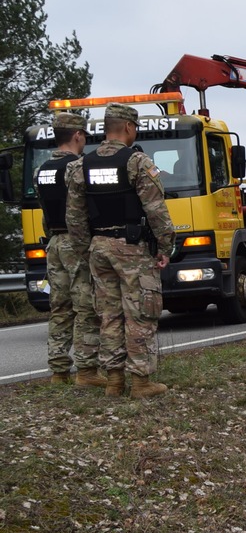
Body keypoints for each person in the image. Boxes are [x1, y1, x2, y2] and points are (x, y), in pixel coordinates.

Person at [65, 103, 175, 399]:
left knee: (109, 315)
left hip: (98, 247)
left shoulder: (79, 166)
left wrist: (85, 249)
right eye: (135, 127)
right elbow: (156, 210)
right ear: (128, 127)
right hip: (131, 248)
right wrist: (165, 245)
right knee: (140, 312)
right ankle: (140, 383)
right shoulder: (137, 162)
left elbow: (74, 218)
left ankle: (114, 382)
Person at [36, 111, 104, 387]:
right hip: (76, 243)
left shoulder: (42, 169)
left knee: (60, 307)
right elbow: (83, 209)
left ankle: (59, 371)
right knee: (86, 306)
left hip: (54, 243)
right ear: (77, 135)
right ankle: (87, 371)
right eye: (84, 135)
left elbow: (44, 212)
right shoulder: (77, 167)